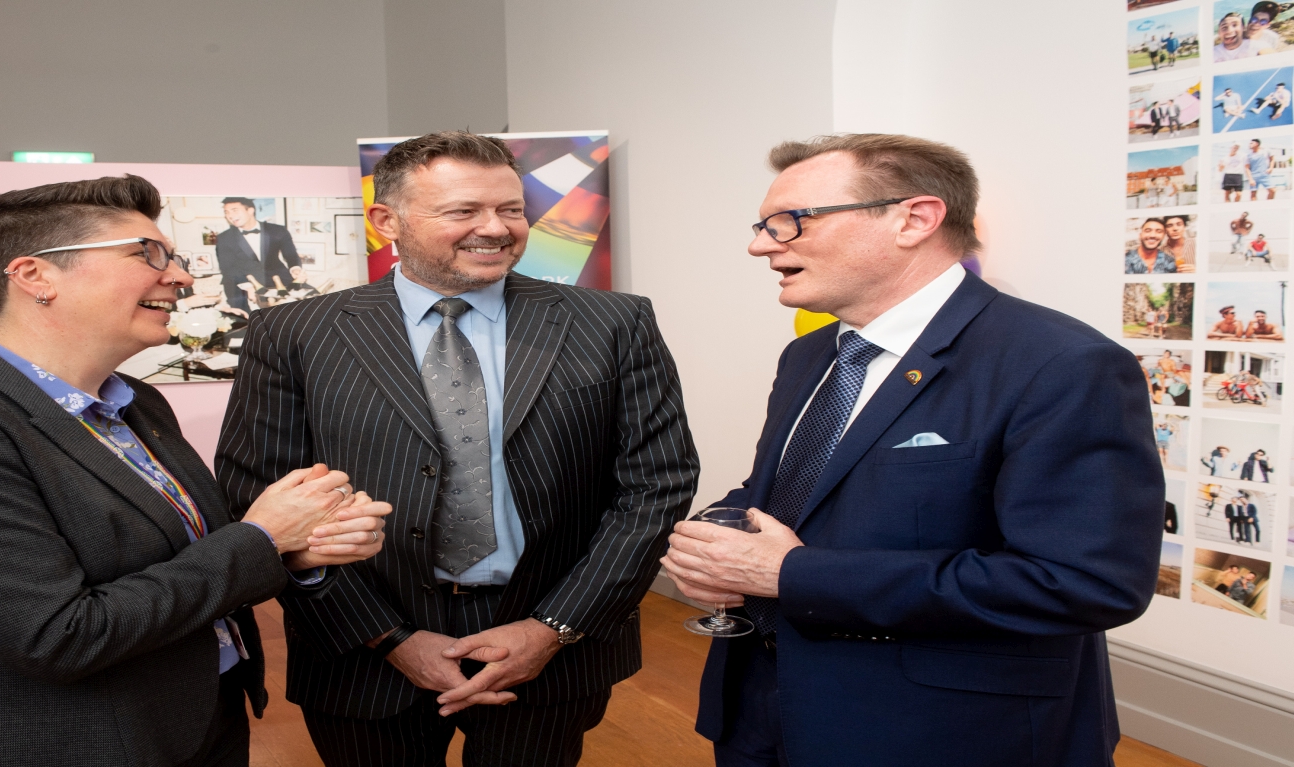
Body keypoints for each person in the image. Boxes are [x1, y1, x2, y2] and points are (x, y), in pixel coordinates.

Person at [0, 176, 395, 767]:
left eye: (173, 257)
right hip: (62, 743)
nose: (180, 277)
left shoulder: (136, 400)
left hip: (194, 721)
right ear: (35, 276)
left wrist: (295, 551)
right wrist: (262, 538)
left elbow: (179, 558)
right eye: (147, 254)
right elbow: (59, 635)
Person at [659, 134, 1162, 766]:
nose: (761, 245)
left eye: (790, 221)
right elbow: (796, 490)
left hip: (942, 733)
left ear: (915, 220)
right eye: (763, 226)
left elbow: (1084, 583)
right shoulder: (810, 355)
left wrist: (789, 575)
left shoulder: (1062, 364)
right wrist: (717, 536)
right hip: (763, 714)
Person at [215, 131, 699, 767]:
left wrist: (552, 628)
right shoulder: (294, 333)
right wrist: (388, 637)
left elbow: (656, 485)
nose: (495, 228)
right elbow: (259, 493)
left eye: (511, 209)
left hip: (548, 641)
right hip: (363, 649)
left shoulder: (613, 323)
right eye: (463, 210)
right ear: (387, 221)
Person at [214, 196, 298, 314]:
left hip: (277, 279)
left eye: (234, 210)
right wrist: (248, 286)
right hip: (239, 284)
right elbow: (227, 268)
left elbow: (291, 254)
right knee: (245, 319)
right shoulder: (224, 238)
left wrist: (295, 268)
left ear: (250, 210)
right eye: (226, 212)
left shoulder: (278, 230)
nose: (230, 216)